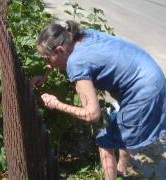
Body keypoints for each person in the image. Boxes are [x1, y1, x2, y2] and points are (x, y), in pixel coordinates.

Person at [32, 20, 166, 180]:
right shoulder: (79, 36)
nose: (47, 62)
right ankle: (121, 170)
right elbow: (58, 57)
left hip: (144, 92)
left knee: (105, 142)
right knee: (121, 127)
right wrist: (44, 75)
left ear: (60, 50)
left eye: (47, 58)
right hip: (151, 74)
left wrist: (56, 104)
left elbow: (92, 114)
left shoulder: (76, 62)